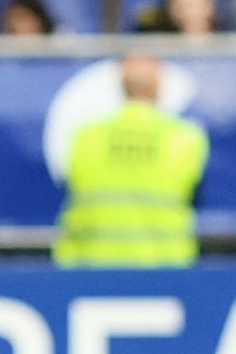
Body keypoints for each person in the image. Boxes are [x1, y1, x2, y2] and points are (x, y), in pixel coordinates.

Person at [55, 54, 209, 266]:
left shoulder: (87, 136)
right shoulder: (185, 137)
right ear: (158, 85)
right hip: (165, 268)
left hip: (92, 266)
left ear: (121, 84)